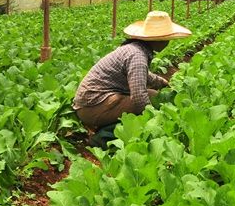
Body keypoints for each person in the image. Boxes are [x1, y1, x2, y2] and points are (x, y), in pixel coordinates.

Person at [72, 10, 191, 146]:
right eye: (168, 38)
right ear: (158, 39)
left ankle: (108, 128)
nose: (169, 41)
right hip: (91, 107)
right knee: (143, 104)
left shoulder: (136, 49)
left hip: (95, 102)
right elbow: (138, 97)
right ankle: (104, 137)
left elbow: (142, 75)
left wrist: (161, 82)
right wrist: (155, 121)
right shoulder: (137, 56)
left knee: (154, 95)